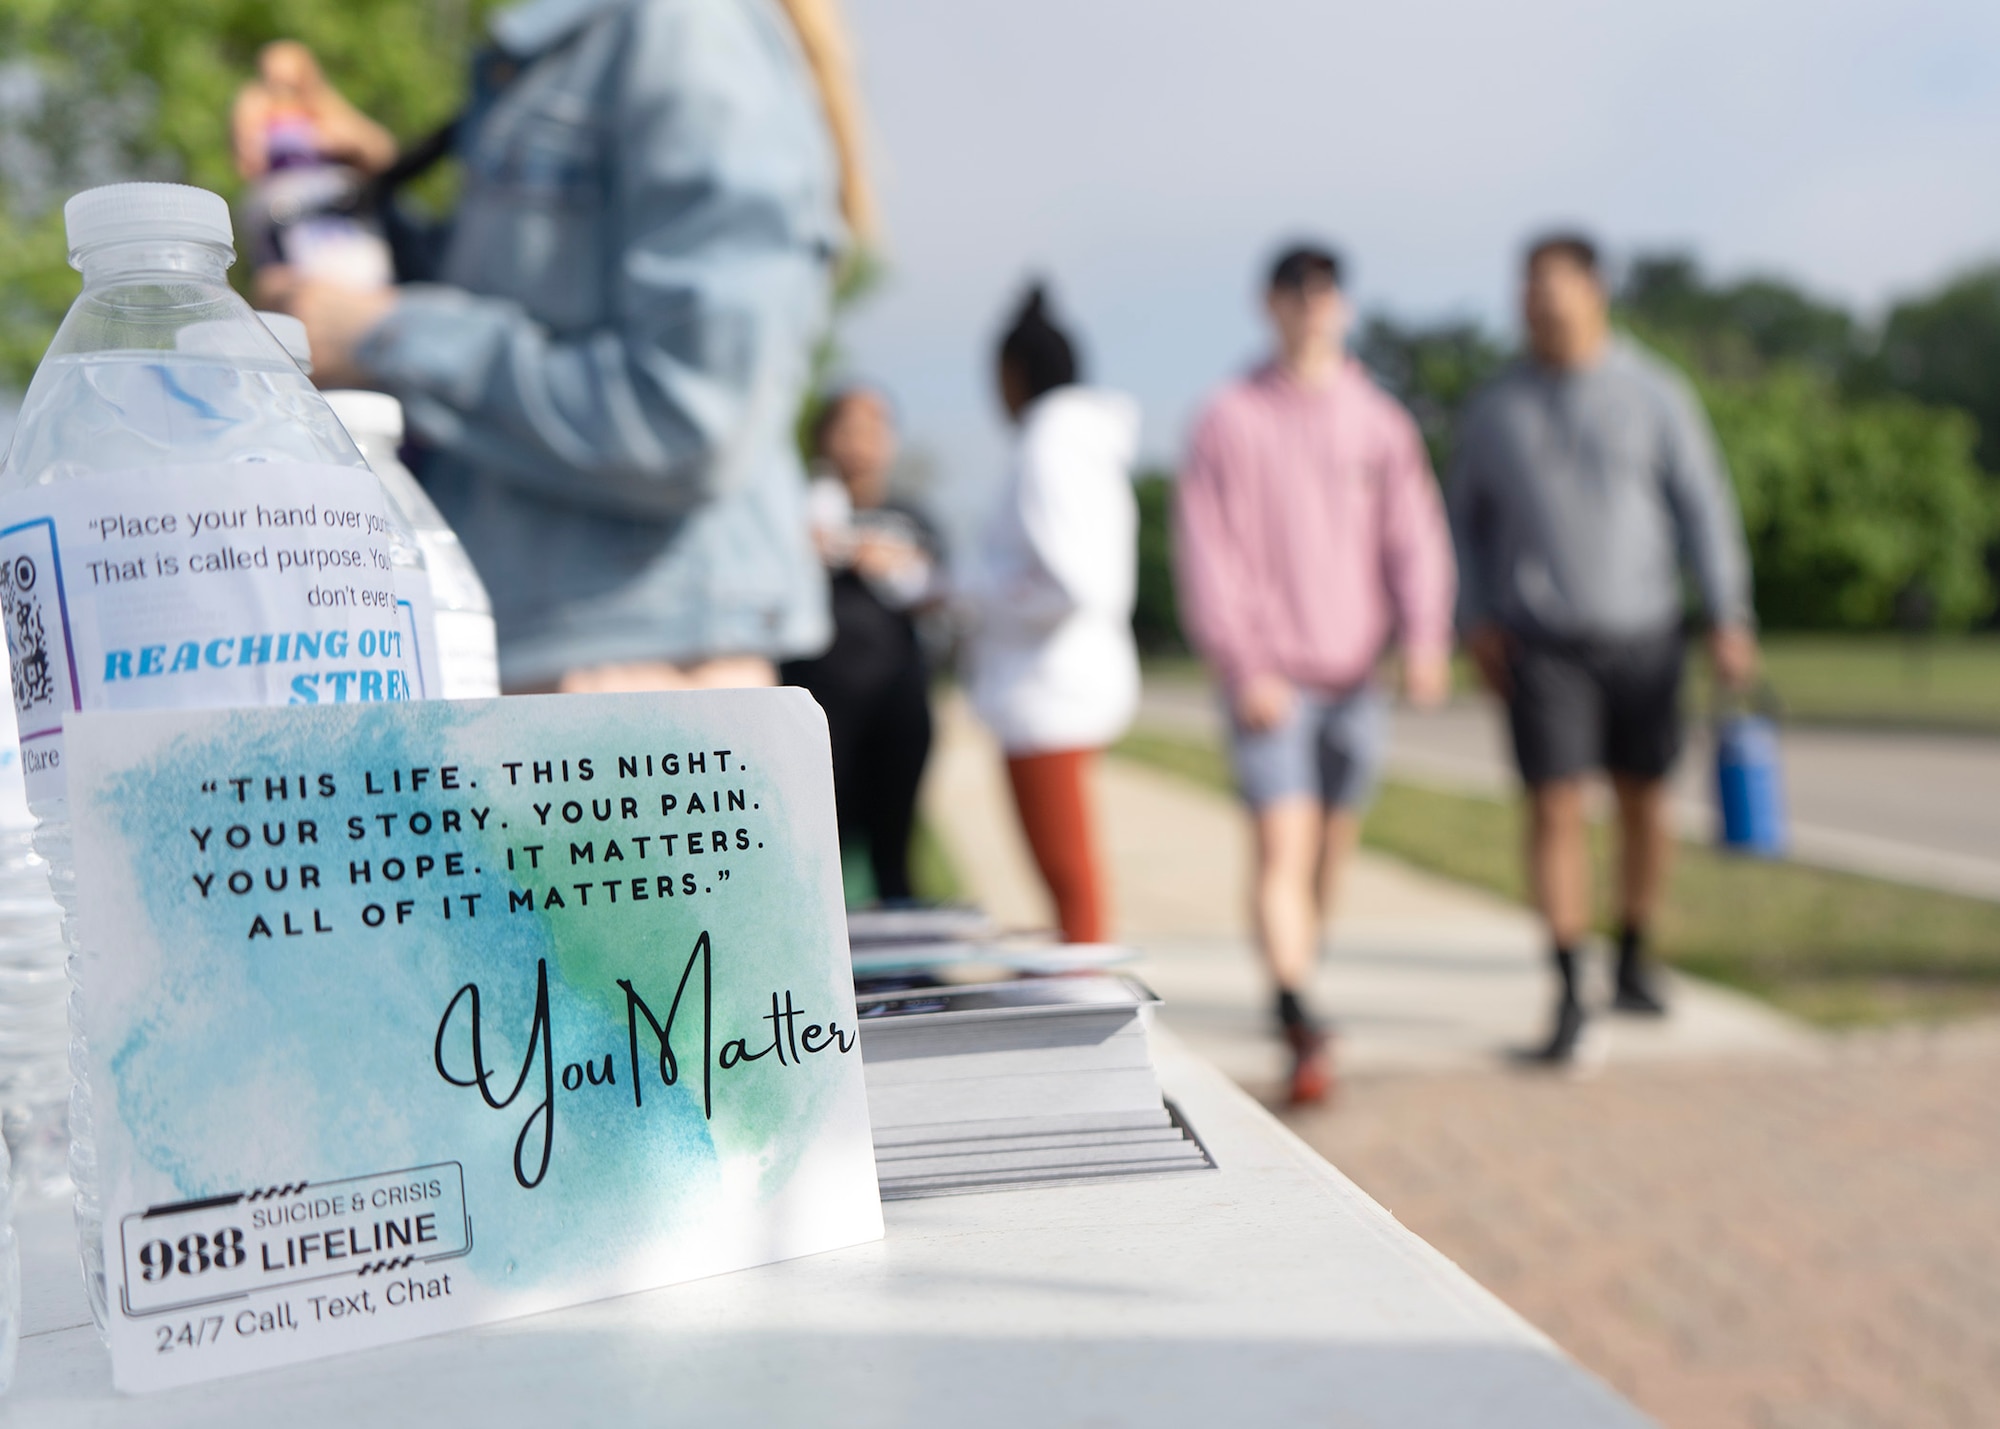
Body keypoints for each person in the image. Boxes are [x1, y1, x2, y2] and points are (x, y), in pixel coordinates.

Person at [263, 0, 877, 695]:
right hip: (573, 657)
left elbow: (692, 416)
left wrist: (380, 334)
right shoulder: (601, 42)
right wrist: (364, 202)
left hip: (629, 674)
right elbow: (521, 315)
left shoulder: (687, 31)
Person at [1450, 232, 1757, 1064]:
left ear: (1595, 290)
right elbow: (1464, 525)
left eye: (1554, 284)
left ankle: (1632, 951)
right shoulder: (1494, 408)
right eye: (1527, 287)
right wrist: (1473, 616)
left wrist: (1729, 613)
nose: (1539, 301)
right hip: (1540, 641)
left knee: (1644, 802)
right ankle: (1566, 984)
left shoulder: (1656, 393)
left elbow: (1705, 509)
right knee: (1552, 804)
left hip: (1646, 635)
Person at [1175, 243, 1456, 1105]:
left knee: (1332, 845)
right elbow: (1205, 549)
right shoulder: (1228, 417)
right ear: (1270, 304)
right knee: (1282, 841)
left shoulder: (1380, 422)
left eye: (1322, 291)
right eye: (1293, 292)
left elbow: (1415, 537)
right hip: (1270, 678)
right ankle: (1298, 1008)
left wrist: (1425, 637)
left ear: (1341, 303)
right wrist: (1243, 660)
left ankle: (1299, 975)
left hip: (1352, 672)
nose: (1308, 306)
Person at [963, 286, 1140, 944]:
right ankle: (1082, 1001)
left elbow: (1068, 584)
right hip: (1062, 679)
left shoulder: (1049, 444)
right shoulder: (1078, 443)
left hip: (1047, 689)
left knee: (1071, 886)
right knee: (1072, 886)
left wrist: (962, 589)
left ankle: (1088, 1019)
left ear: (1014, 373)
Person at [782, 387, 942, 903]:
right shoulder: (791, 513)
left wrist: (896, 568)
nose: (861, 441)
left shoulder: (912, 517)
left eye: (875, 427)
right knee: (815, 856)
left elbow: (945, 599)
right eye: (848, 426)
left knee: (894, 851)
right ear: (822, 436)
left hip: (897, 703)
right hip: (816, 708)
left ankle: (909, 969)